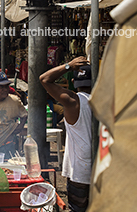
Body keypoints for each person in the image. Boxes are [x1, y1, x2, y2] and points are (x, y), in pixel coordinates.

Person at [40, 57, 92, 212]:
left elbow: (44, 79)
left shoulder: (73, 101)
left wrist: (68, 66)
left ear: (74, 83)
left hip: (81, 171)